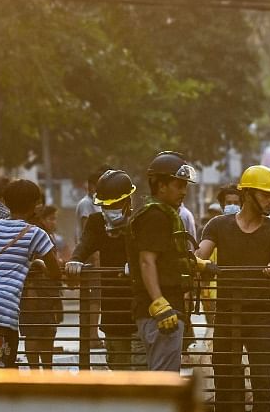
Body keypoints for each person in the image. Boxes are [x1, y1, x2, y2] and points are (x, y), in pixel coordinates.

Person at [197, 164, 270, 412]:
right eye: (265, 195)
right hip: (227, 314)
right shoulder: (219, 226)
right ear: (247, 194)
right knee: (226, 377)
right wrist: (200, 264)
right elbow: (200, 254)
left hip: (261, 313)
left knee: (262, 379)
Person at [0, 179, 59, 368]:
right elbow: (55, 272)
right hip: (4, 309)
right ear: (36, 206)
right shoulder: (36, 234)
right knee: (2, 366)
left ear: (5, 202)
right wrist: (36, 262)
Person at [129, 152, 201, 373]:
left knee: (162, 375)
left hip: (165, 309)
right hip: (161, 313)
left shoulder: (163, 214)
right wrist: (160, 303)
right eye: (178, 185)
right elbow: (146, 261)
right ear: (161, 186)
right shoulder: (155, 216)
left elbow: (167, 258)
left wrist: (201, 265)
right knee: (164, 379)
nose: (184, 191)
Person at [67, 170, 142, 370]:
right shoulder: (96, 223)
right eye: (106, 205)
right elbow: (85, 245)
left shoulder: (141, 222)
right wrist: (75, 261)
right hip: (113, 312)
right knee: (118, 369)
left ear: (128, 201)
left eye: (115, 204)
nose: (111, 210)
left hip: (140, 310)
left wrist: (135, 264)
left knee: (141, 372)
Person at [22, 204, 66, 368]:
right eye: (51, 218)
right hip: (35, 289)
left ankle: (46, 368)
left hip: (48, 290)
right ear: (41, 219)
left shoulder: (46, 235)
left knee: (48, 331)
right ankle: (37, 369)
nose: (54, 222)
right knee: (34, 333)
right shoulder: (35, 235)